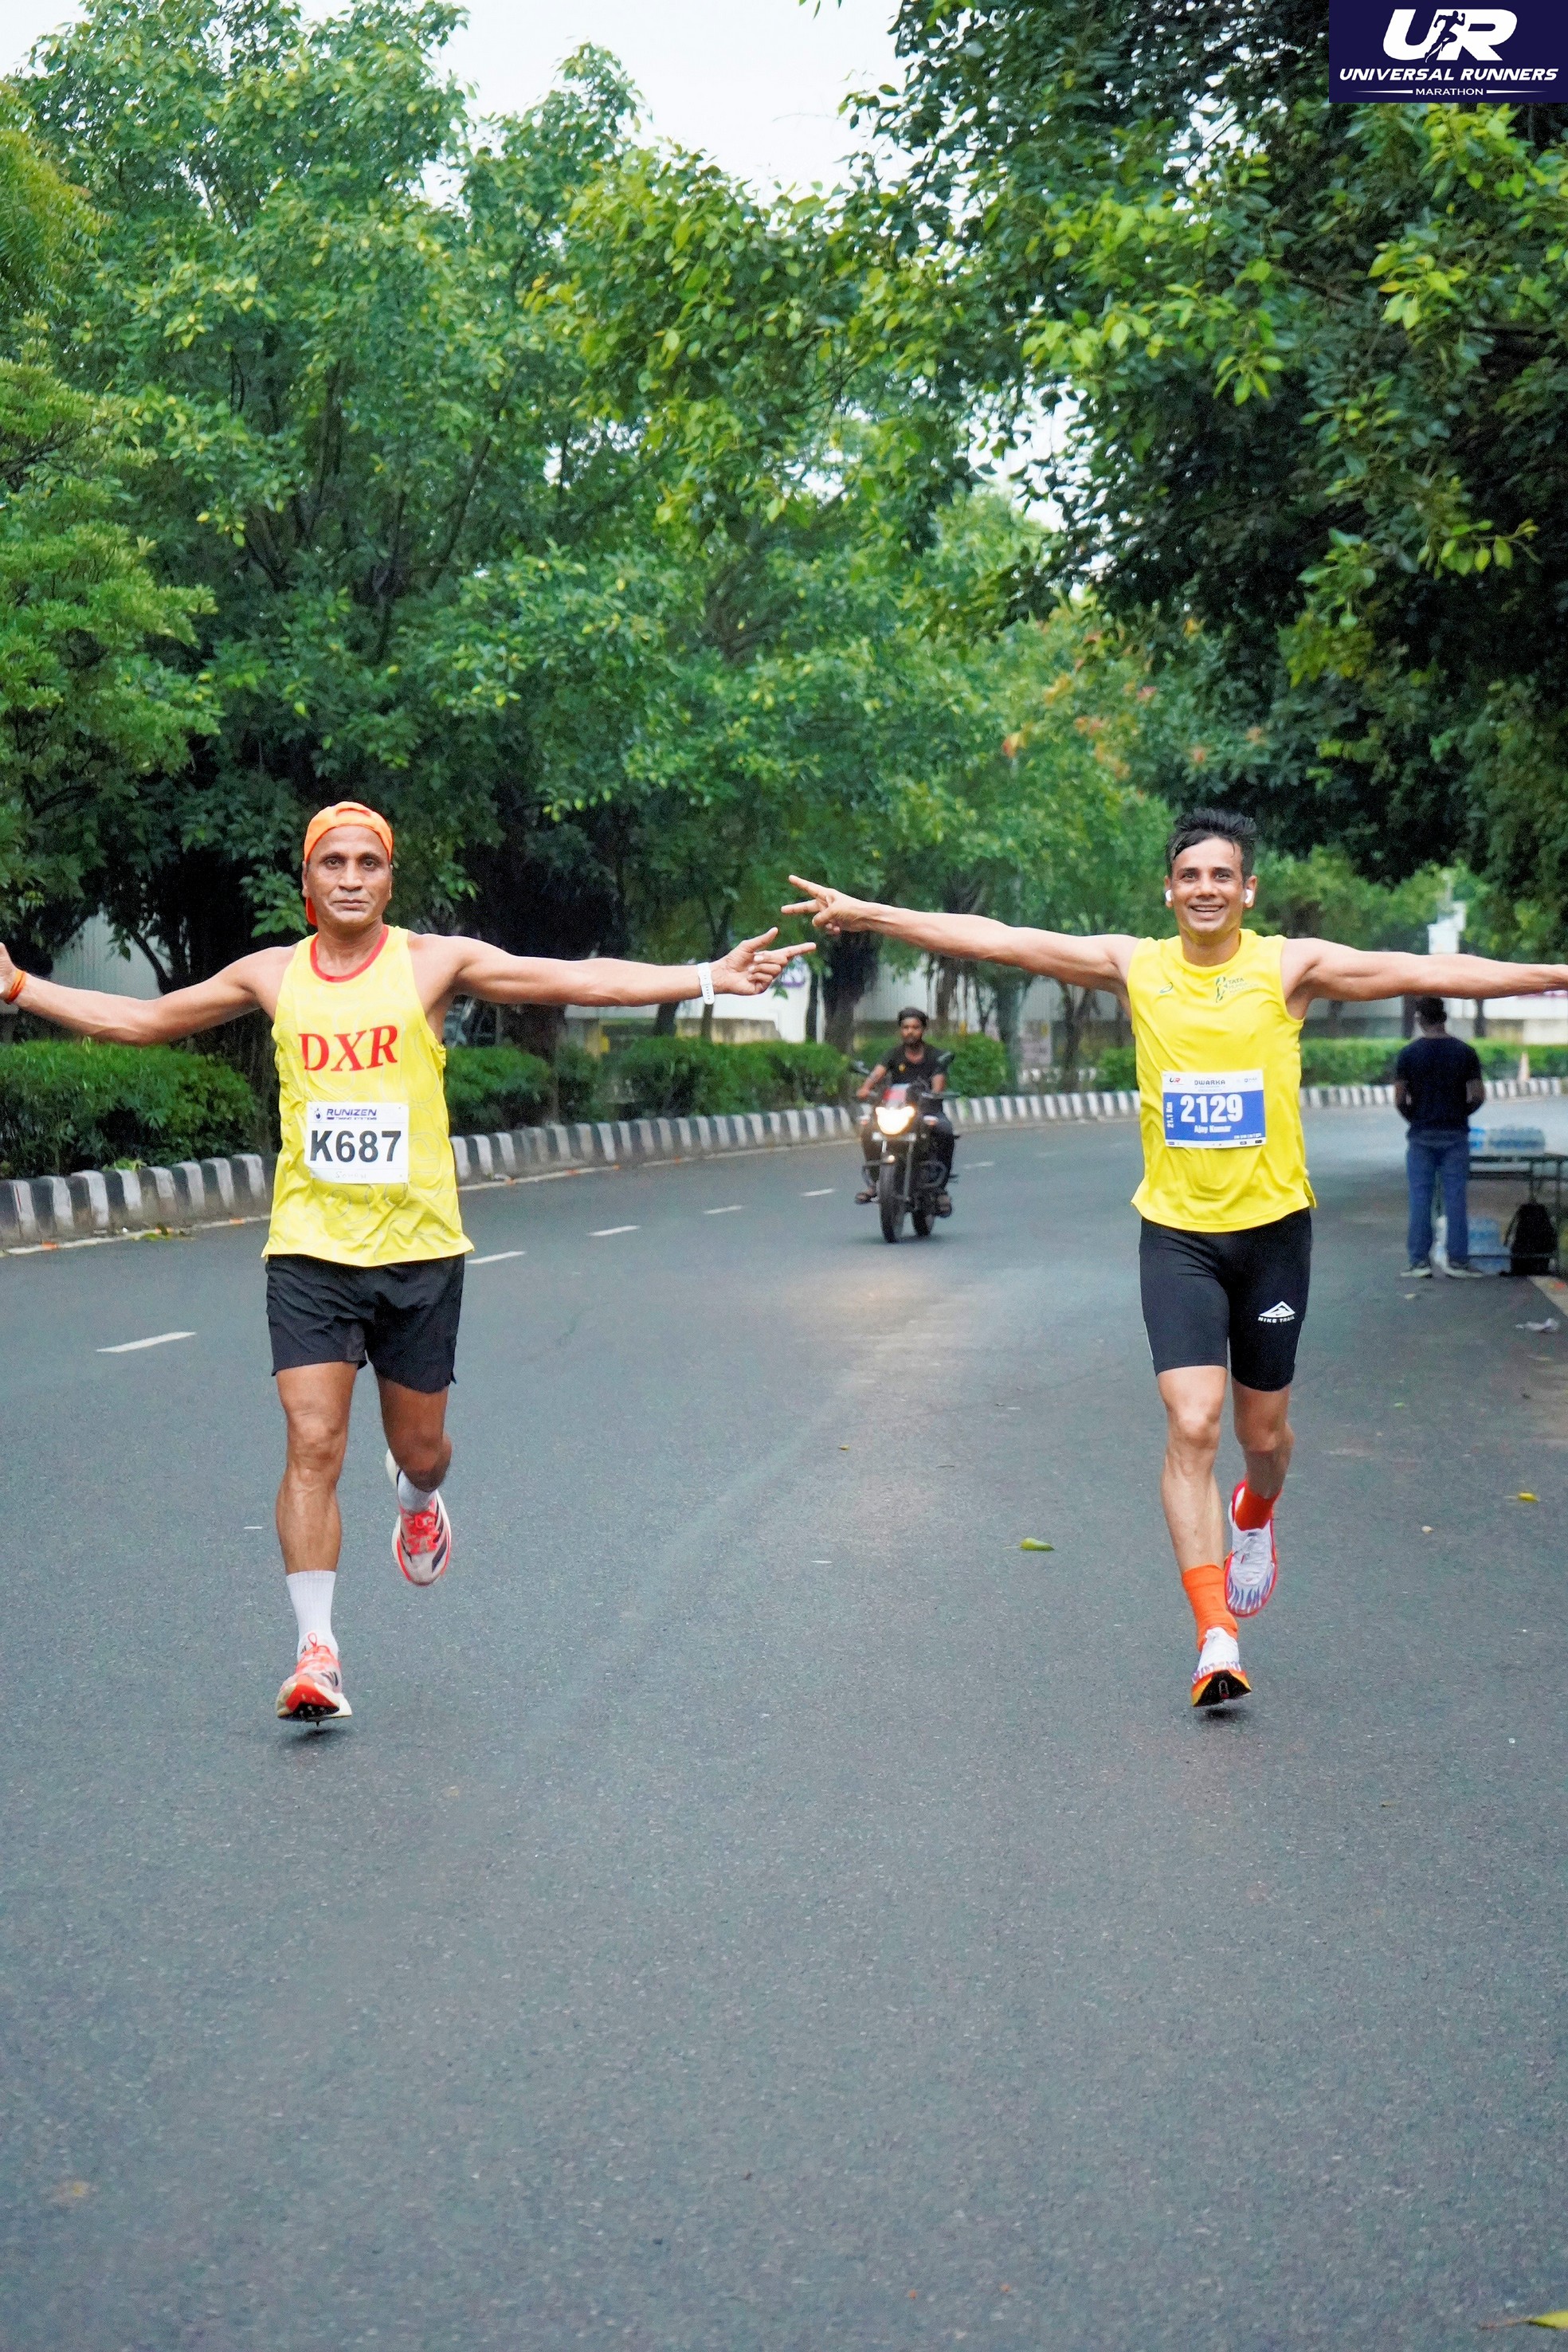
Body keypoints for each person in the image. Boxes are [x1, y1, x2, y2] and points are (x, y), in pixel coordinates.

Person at [0, 802, 809, 1727]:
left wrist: (707, 977)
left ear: (390, 879)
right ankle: (316, 1651)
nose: (351, 878)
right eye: (333, 863)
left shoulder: (432, 964)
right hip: (309, 1249)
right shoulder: (271, 973)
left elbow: (569, 979)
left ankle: (418, 1497)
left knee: (420, 1449)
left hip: (420, 1251)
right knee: (312, 1442)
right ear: (307, 882)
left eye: (369, 863)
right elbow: (144, 1019)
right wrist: (20, 985)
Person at [784, 810, 1568, 1709]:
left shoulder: (1289, 968)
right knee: (1193, 1423)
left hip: (1274, 1236)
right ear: (1169, 890)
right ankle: (1215, 1635)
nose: (1205, 889)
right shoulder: (1136, 966)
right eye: (1190, 875)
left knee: (1262, 1439)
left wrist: (1556, 975)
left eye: (1221, 876)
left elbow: (1434, 970)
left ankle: (1256, 1515)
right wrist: (870, 913)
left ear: (1247, 891)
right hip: (1178, 1237)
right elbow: (999, 939)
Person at [1394, 995, 1485, 1278]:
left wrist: (1415, 1117)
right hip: (1455, 1135)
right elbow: (1478, 1095)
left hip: (1421, 1135)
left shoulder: (1408, 1054)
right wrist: (1460, 1113)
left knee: (1420, 1199)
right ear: (1444, 1018)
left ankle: (1419, 1262)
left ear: (1420, 1020)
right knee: (1455, 1199)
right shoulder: (1465, 1052)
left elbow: (1399, 1099)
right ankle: (1458, 1262)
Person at [854, 1006, 955, 1210]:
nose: (910, 1032)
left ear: (923, 1029)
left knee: (945, 1131)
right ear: (900, 1030)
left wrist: (935, 1093)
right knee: (868, 1130)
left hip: (926, 1109)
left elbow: (938, 1082)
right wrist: (866, 1088)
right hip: (896, 1108)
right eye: (906, 1027)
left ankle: (940, 1189)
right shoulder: (893, 1054)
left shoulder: (935, 1055)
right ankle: (876, 1182)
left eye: (915, 1027)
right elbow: (878, 1073)